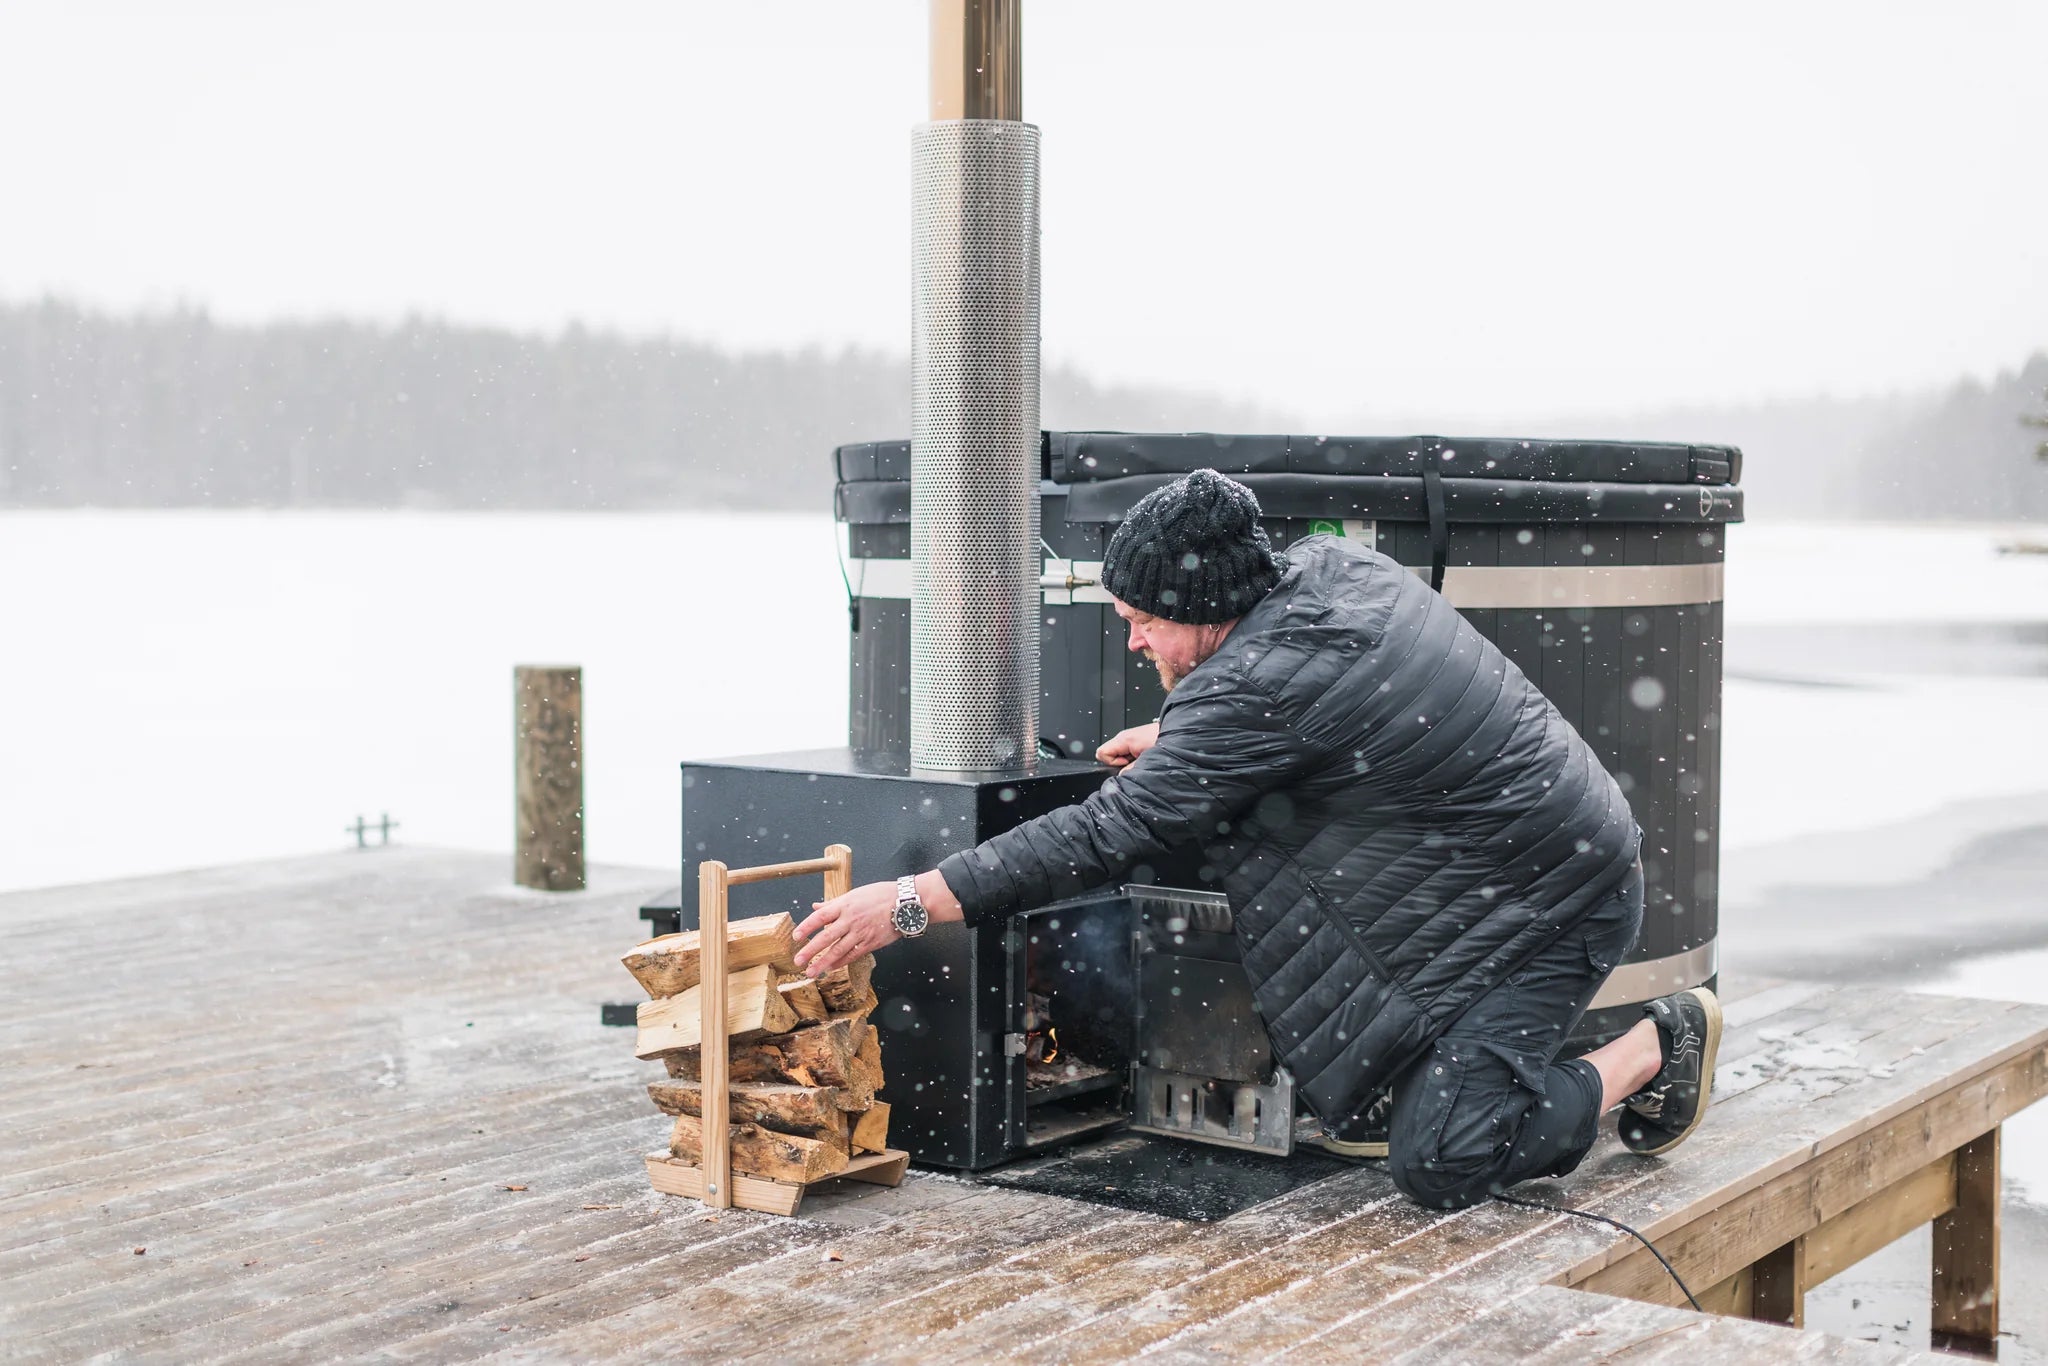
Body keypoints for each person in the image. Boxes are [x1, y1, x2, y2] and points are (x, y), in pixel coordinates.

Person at [794, 468, 1720, 1209]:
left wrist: (909, 901)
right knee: (1368, 1092)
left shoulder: (1262, 691)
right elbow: (1345, 711)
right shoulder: (1330, 574)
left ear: (1203, 611)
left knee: (1443, 1159)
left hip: (1560, 904)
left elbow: (1109, 832)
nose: (1133, 644)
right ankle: (1457, 1071)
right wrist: (1185, 740)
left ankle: (1653, 1046)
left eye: (1142, 622)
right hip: (1506, 872)